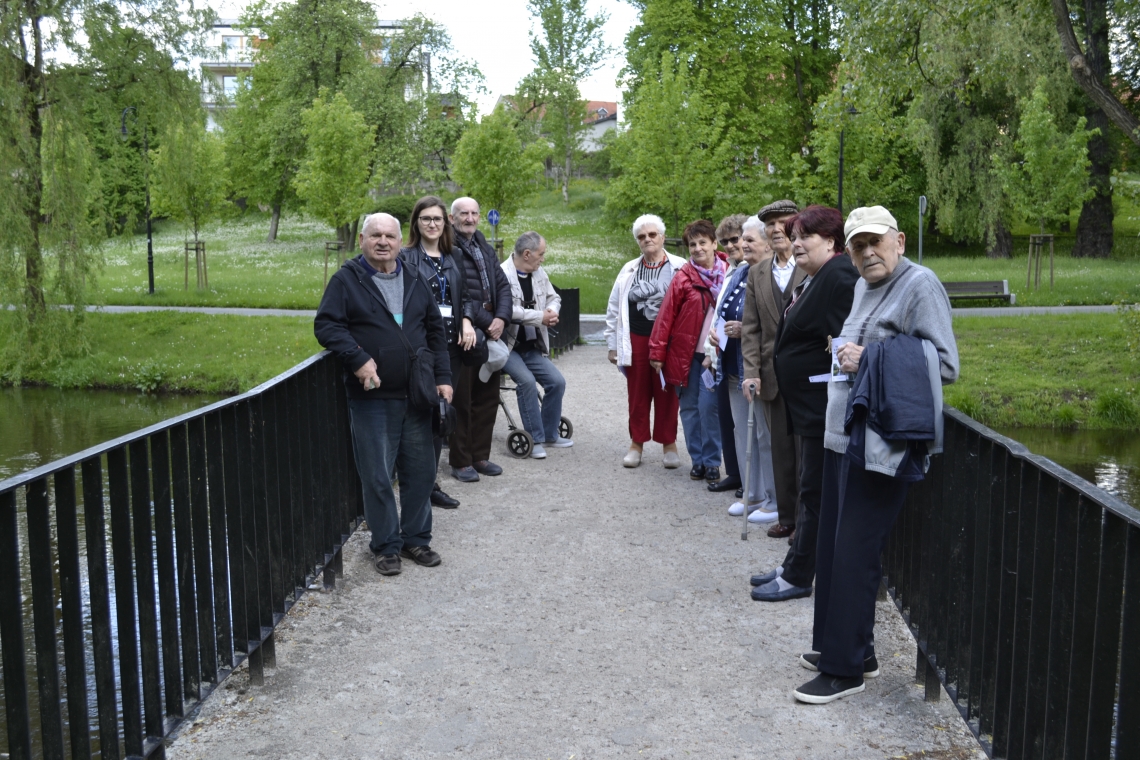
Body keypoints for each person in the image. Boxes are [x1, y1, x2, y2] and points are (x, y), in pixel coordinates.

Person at [793, 205, 958, 704]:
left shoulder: (919, 284)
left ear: (899, 241)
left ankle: (845, 673)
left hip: (882, 443)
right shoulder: (865, 285)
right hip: (847, 436)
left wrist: (868, 357)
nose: (867, 252)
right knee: (834, 549)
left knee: (854, 554)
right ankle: (852, 648)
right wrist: (846, 347)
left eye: (875, 242)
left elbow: (945, 364)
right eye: (857, 245)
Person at [314, 213, 452, 576]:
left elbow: (435, 333)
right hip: (372, 399)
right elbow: (327, 325)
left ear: (398, 240)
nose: (383, 242)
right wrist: (357, 358)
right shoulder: (346, 280)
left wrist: (444, 378)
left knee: (421, 473)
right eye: (375, 235)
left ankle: (416, 539)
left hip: (418, 395)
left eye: (390, 236)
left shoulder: (414, 277)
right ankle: (386, 545)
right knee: (377, 476)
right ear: (361, 239)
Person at [750, 205, 858, 602]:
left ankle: (798, 575)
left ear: (831, 241)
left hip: (821, 408)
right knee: (809, 489)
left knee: (813, 491)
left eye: (804, 237)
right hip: (808, 409)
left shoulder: (839, 275)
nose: (795, 243)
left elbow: (848, 336)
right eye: (793, 236)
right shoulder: (816, 278)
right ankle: (794, 564)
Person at [399, 196, 477, 509]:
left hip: (452, 348)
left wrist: (468, 321)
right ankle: (422, 485)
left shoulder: (453, 256)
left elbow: (468, 295)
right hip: (422, 350)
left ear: (446, 224)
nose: (432, 224)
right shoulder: (406, 257)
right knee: (424, 414)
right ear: (416, 223)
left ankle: (430, 483)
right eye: (426, 219)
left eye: (438, 219)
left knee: (442, 414)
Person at [708, 216, 779, 522]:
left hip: (759, 366)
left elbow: (778, 324)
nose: (741, 245)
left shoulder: (776, 275)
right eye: (741, 240)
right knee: (742, 431)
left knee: (764, 434)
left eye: (749, 240)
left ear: (768, 243)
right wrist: (717, 333)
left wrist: (745, 328)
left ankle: (774, 499)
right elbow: (723, 309)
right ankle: (752, 493)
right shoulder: (739, 273)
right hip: (733, 363)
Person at [741, 199, 805, 540]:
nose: (777, 228)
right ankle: (787, 517)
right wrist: (752, 372)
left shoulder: (812, 266)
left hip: (808, 376)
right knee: (780, 450)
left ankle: (809, 520)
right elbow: (750, 328)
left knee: (806, 451)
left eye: (784, 222)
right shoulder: (757, 272)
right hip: (771, 376)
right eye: (771, 224)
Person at [604, 215, 687, 469]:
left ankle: (669, 444)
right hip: (636, 339)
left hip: (668, 341)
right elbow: (615, 307)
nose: (647, 239)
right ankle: (636, 443)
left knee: (667, 393)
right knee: (637, 393)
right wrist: (612, 344)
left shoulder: (680, 266)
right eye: (641, 236)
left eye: (652, 234)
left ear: (662, 237)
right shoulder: (629, 269)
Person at [649, 219, 728, 483]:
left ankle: (713, 461)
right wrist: (657, 353)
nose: (697, 248)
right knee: (690, 409)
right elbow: (666, 316)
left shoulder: (730, 273)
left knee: (709, 408)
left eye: (703, 242)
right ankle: (698, 461)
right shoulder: (683, 277)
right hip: (686, 355)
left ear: (714, 243)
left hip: (716, 355)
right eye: (692, 244)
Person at [449, 197, 513, 483]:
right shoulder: (448, 249)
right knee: (463, 398)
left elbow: (502, 284)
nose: (470, 218)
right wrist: (489, 324)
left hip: (490, 329)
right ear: (452, 218)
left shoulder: (482, 245)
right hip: (467, 333)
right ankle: (461, 460)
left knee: (487, 398)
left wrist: (501, 318)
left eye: (474, 213)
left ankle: (480, 455)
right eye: (464, 213)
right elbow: (458, 293)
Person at [500, 231, 572, 459]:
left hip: (530, 345)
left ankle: (550, 434)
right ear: (527, 254)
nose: (543, 258)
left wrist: (552, 311)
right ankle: (535, 438)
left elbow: (554, 297)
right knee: (527, 382)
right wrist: (539, 316)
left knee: (557, 382)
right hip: (506, 345)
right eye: (541, 254)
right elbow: (508, 311)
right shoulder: (502, 275)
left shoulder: (539, 272)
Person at [706, 214, 749, 495]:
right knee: (728, 419)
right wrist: (711, 350)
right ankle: (734, 471)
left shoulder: (752, 269)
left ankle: (749, 478)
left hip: (744, 354)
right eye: (726, 241)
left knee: (745, 422)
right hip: (724, 353)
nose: (732, 245)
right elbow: (720, 311)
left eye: (737, 239)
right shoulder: (731, 270)